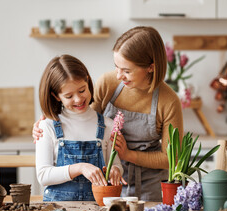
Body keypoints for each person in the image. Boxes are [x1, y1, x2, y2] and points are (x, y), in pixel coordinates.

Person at [34, 26, 183, 201]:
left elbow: (170, 158)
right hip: (107, 181)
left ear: (151, 67)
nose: (119, 75)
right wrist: (47, 122)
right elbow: (84, 119)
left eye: (127, 71)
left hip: (149, 184)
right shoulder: (109, 83)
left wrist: (128, 155)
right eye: (116, 67)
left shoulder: (169, 101)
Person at [36, 54, 124, 202]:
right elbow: (43, 176)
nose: (78, 99)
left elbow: (115, 164)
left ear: (87, 82)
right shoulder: (47, 126)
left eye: (82, 90)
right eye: (69, 96)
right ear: (57, 96)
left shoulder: (108, 125)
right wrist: (80, 168)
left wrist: (116, 171)